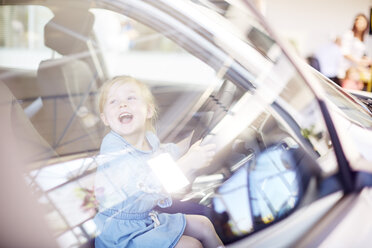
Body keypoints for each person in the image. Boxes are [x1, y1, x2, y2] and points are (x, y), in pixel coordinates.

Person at [93, 76, 224, 248]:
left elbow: (169, 152)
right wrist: (188, 162)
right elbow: (146, 183)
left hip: (144, 219)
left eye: (130, 98)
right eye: (113, 101)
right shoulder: (113, 148)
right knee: (191, 245)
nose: (122, 104)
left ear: (148, 110)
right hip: (121, 234)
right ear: (105, 119)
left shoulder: (149, 140)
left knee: (204, 224)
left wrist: (194, 141)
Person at [338, 13, 372, 81]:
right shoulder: (349, 34)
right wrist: (358, 61)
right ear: (355, 22)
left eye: (363, 22)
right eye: (359, 21)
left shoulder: (364, 38)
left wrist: (366, 60)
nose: (361, 24)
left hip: (357, 69)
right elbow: (345, 52)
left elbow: (360, 53)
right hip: (347, 69)